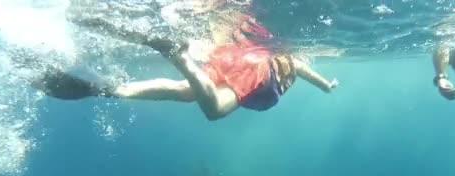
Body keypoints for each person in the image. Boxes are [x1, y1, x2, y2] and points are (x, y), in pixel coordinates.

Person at [34, 12, 338, 121]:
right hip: (259, 73)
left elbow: (305, 69)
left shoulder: (283, 56)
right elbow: (303, 68)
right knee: (215, 109)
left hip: (231, 56)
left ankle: (114, 89)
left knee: (185, 91)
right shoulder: (284, 61)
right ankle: (179, 57)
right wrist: (326, 86)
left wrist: (326, 86)